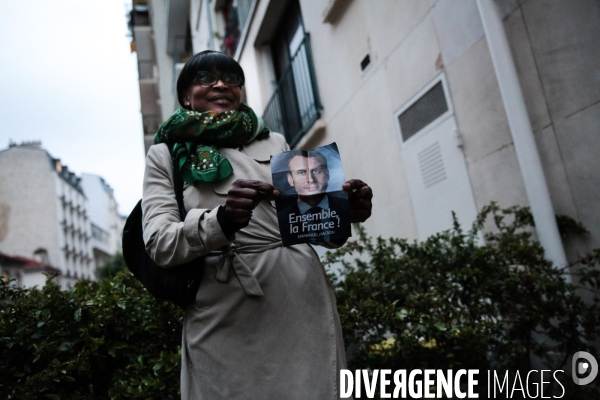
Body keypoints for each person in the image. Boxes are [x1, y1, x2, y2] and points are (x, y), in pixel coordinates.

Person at [142, 50, 372, 400]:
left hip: (300, 297)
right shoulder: (166, 154)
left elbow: (310, 223)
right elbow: (160, 243)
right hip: (226, 310)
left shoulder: (275, 141)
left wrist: (346, 211)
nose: (220, 84)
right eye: (205, 77)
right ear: (186, 95)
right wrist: (222, 220)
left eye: (231, 78)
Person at [277, 149, 351, 245]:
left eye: (316, 171)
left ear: (327, 174)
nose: (310, 179)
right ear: (290, 179)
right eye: (301, 172)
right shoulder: (282, 218)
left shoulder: (346, 207)